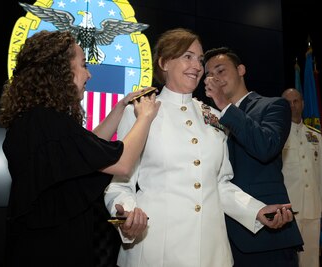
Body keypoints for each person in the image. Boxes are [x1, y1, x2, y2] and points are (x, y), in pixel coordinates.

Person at [104, 28, 296, 267]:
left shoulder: (214, 117)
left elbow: (219, 185)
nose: (197, 66)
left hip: (210, 253)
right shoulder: (140, 111)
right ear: (164, 63)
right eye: (187, 56)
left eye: (200, 59)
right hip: (156, 250)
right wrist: (129, 216)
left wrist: (257, 211)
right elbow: (120, 184)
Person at [0, 30, 160, 267]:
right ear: (60, 70)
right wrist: (144, 117)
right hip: (52, 252)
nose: (89, 74)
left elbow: (88, 149)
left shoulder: (35, 121)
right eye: (83, 65)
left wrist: (121, 107)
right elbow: (123, 163)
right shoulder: (48, 122)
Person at [203, 47, 304, 267]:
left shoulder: (273, 106)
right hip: (217, 234)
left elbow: (266, 147)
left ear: (241, 69)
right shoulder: (206, 117)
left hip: (265, 231)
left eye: (220, 70)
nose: (215, 78)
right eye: (209, 76)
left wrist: (225, 106)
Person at [281, 88, 322, 267]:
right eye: (288, 102)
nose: (292, 106)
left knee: (310, 257)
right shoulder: (278, 135)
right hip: (288, 209)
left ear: (302, 104)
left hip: (312, 206)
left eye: (296, 101)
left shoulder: (315, 136)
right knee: (289, 258)